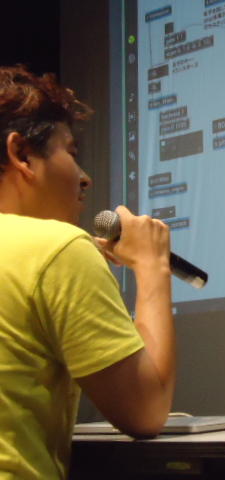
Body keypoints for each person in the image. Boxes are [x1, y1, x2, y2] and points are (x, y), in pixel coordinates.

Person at [0, 65, 175, 479]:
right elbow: (146, 411)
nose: (85, 179)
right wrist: (152, 265)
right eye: (71, 153)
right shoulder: (57, 248)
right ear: (21, 154)